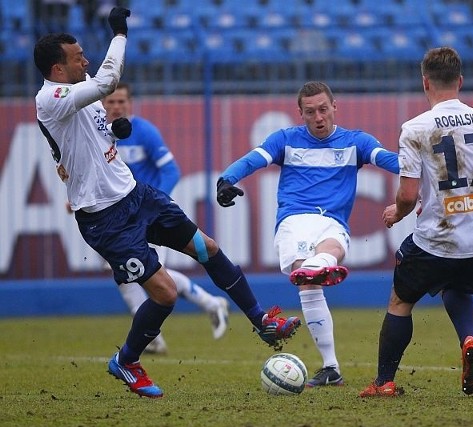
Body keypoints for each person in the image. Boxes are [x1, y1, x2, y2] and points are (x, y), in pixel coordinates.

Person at [34, 7, 301, 399]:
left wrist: (115, 131)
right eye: (78, 58)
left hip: (138, 196)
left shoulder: (77, 90)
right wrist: (120, 32)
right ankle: (126, 360)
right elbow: (108, 80)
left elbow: (94, 133)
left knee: (207, 248)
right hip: (106, 220)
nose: (86, 61)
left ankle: (262, 321)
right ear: (58, 69)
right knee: (165, 294)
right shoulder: (50, 98)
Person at [216, 81, 399, 388]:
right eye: (311, 112)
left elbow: (389, 159)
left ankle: (330, 363)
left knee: (319, 264)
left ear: (335, 107)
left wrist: (423, 170)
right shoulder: (286, 140)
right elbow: (253, 158)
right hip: (294, 219)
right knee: (309, 281)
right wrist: (226, 179)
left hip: (333, 222)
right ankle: (330, 364)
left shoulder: (356, 143)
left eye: (323, 110)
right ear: (300, 113)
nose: (318, 117)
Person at [359, 46, 473, 397]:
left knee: (400, 300)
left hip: (440, 241)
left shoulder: (416, 128)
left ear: (425, 82)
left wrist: (397, 212)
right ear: (460, 80)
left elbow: (408, 196)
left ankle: (384, 382)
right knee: (455, 284)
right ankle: (469, 339)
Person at [102, 82, 229, 353]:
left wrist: (151, 205)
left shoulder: (144, 131)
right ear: (102, 104)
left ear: (130, 104)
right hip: (115, 219)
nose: (116, 107)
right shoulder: (99, 135)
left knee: (141, 273)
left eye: (121, 102)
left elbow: (171, 170)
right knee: (133, 273)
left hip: (145, 218)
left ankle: (152, 337)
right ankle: (210, 304)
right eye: (111, 101)